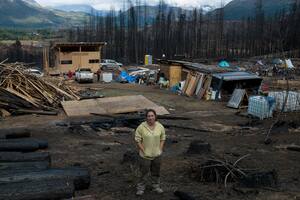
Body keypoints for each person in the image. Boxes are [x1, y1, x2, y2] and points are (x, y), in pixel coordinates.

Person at [134, 109, 166, 196]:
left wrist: (160, 149)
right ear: (146, 117)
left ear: (155, 117)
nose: (150, 118)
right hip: (145, 155)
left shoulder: (160, 126)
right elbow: (137, 140)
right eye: (148, 116)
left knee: (156, 171)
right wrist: (143, 150)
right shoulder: (141, 127)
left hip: (157, 155)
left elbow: (163, 138)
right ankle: (140, 188)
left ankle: (156, 186)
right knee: (143, 172)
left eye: (152, 116)